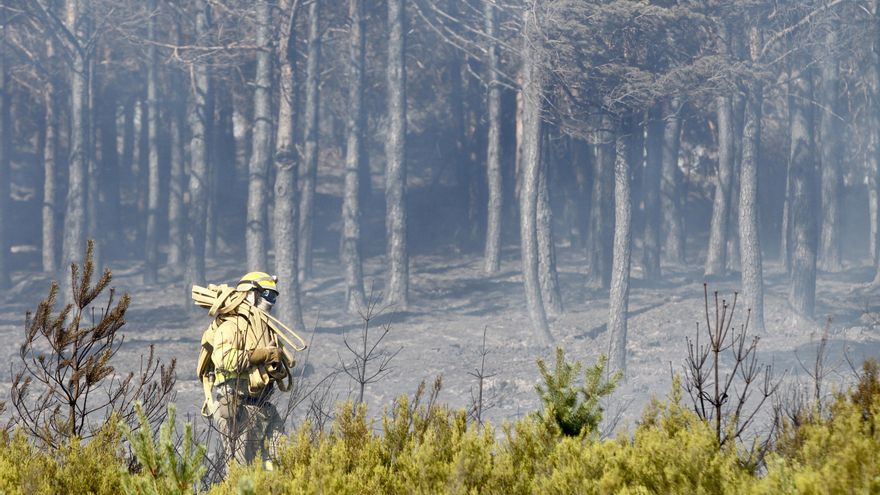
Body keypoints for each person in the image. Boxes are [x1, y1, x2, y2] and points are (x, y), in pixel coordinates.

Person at [196, 271, 293, 470]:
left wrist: (276, 368)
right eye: (268, 295)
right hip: (239, 410)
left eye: (274, 297)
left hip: (264, 407)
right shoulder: (230, 326)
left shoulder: (264, 328)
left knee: (281, 465)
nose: (271, 301)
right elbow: (226, 360)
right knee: (243, 474)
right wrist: (262, 355)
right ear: (250, 293)